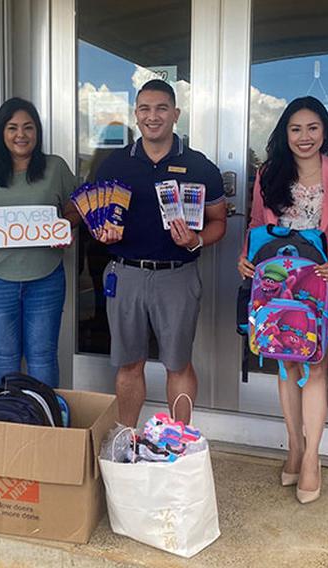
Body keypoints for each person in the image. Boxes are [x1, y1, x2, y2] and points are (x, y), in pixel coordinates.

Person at [237, 96, 328, 504]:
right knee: (285, 363)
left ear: (325, 132)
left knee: (315, 366)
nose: (304, 136)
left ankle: (312, 457)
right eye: (296, 129)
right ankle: (294, 445)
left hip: (323, 283)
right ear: (285, 133)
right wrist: (248, 259)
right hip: (276, 286)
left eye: (312, 128)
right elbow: (259, 225)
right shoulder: (268, 174)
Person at [94, 79, 227, 427]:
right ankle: (127, 438)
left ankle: (179, 439)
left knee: (178, 364)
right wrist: (102, 233)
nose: (153, 116)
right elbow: (98, 219)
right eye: (145, 109)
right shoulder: (114, 165)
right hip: (126, 274)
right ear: (136, 115)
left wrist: (196, 241)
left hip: (177, 276)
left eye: (161, 108)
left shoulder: (200, 166)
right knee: (129, 364)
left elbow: (218, 223)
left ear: (176, 114)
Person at [0, 97, 79, 388]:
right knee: (4, 358)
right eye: (12, 127)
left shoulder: (54, 168)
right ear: (1, 133)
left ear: (37, 132)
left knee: (42, 357)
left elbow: (79, 206)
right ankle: (7, 422)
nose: (21, 135)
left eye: (28, 127)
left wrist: (63, 226)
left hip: (45, 278)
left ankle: (45, 420)